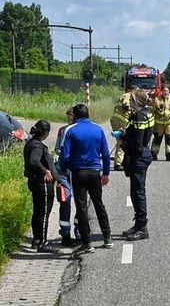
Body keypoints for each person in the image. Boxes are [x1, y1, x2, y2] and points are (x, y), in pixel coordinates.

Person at [59, 103, 112, 251]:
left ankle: (87, 242)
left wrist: (64, 169)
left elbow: (64, 155)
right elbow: (106, 154)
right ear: (88, 114)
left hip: (78, 173)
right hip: (95, 172)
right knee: (99, 204)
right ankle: (107, 237)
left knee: (81, 207)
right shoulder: (98, 129)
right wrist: (106, 173)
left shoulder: (71, 130)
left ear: (74, 115)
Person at [121, 88, 154, 240]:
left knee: (138, 192)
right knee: (136, 191)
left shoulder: (140, 117)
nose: (129, 101)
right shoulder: (146, 113)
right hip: (143, 155)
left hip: (139, 157)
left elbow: (138, 143)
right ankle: (138, 225)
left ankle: (142, 227)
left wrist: (123, 141)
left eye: (131, 99)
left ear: (136, 101)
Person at [23, 119, 57, 252]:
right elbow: (34, 161)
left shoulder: (31, 142)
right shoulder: (37, 146)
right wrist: (45, 170)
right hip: (42, 183)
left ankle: (36, 240)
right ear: (46, 132)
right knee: (44, 214)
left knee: (37, 212)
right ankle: (42, 243)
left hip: (34, 182)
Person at [52, 107, 77, 247]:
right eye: (68, 117)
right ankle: (66, 234)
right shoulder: (62, 130)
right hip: (64, 172)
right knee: (65, 201)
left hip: (73, 171)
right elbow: (57, 148)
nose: (70, 120)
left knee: (79, 202)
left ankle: (79, 232)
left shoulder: (76, 131)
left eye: (72, 117)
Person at [110, 84, 133, 171]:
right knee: (122, 141)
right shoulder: (128, 95)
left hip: (119, 120)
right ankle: (118, 164)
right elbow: (126, 105)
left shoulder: (128, 96)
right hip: (120, 120)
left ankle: (120, 160)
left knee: (121, 140)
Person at [151, 85, 170, 161]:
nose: (166, 92)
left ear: (169, 92)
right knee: (157, 140)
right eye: (164, 91)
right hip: (159, 125)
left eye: (167, 91)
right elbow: (152, 111)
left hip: (169, 124)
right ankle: (153, 154)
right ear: (161, 91)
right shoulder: (156, 100)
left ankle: (169, 155)